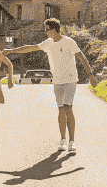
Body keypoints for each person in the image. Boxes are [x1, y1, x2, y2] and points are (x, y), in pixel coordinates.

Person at [9, 18, 98, 152]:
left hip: (70, 80)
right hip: (57, 81)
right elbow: (29, 49)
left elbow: (81, 57)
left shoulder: (68, 42)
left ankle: (72, 141)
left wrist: (90, 75)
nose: (45, 32)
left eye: (47, 29)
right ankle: (63, 140)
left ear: (54, 29)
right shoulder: (48, 43)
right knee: (61, 109)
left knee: (68, 107)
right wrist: (11, 51)